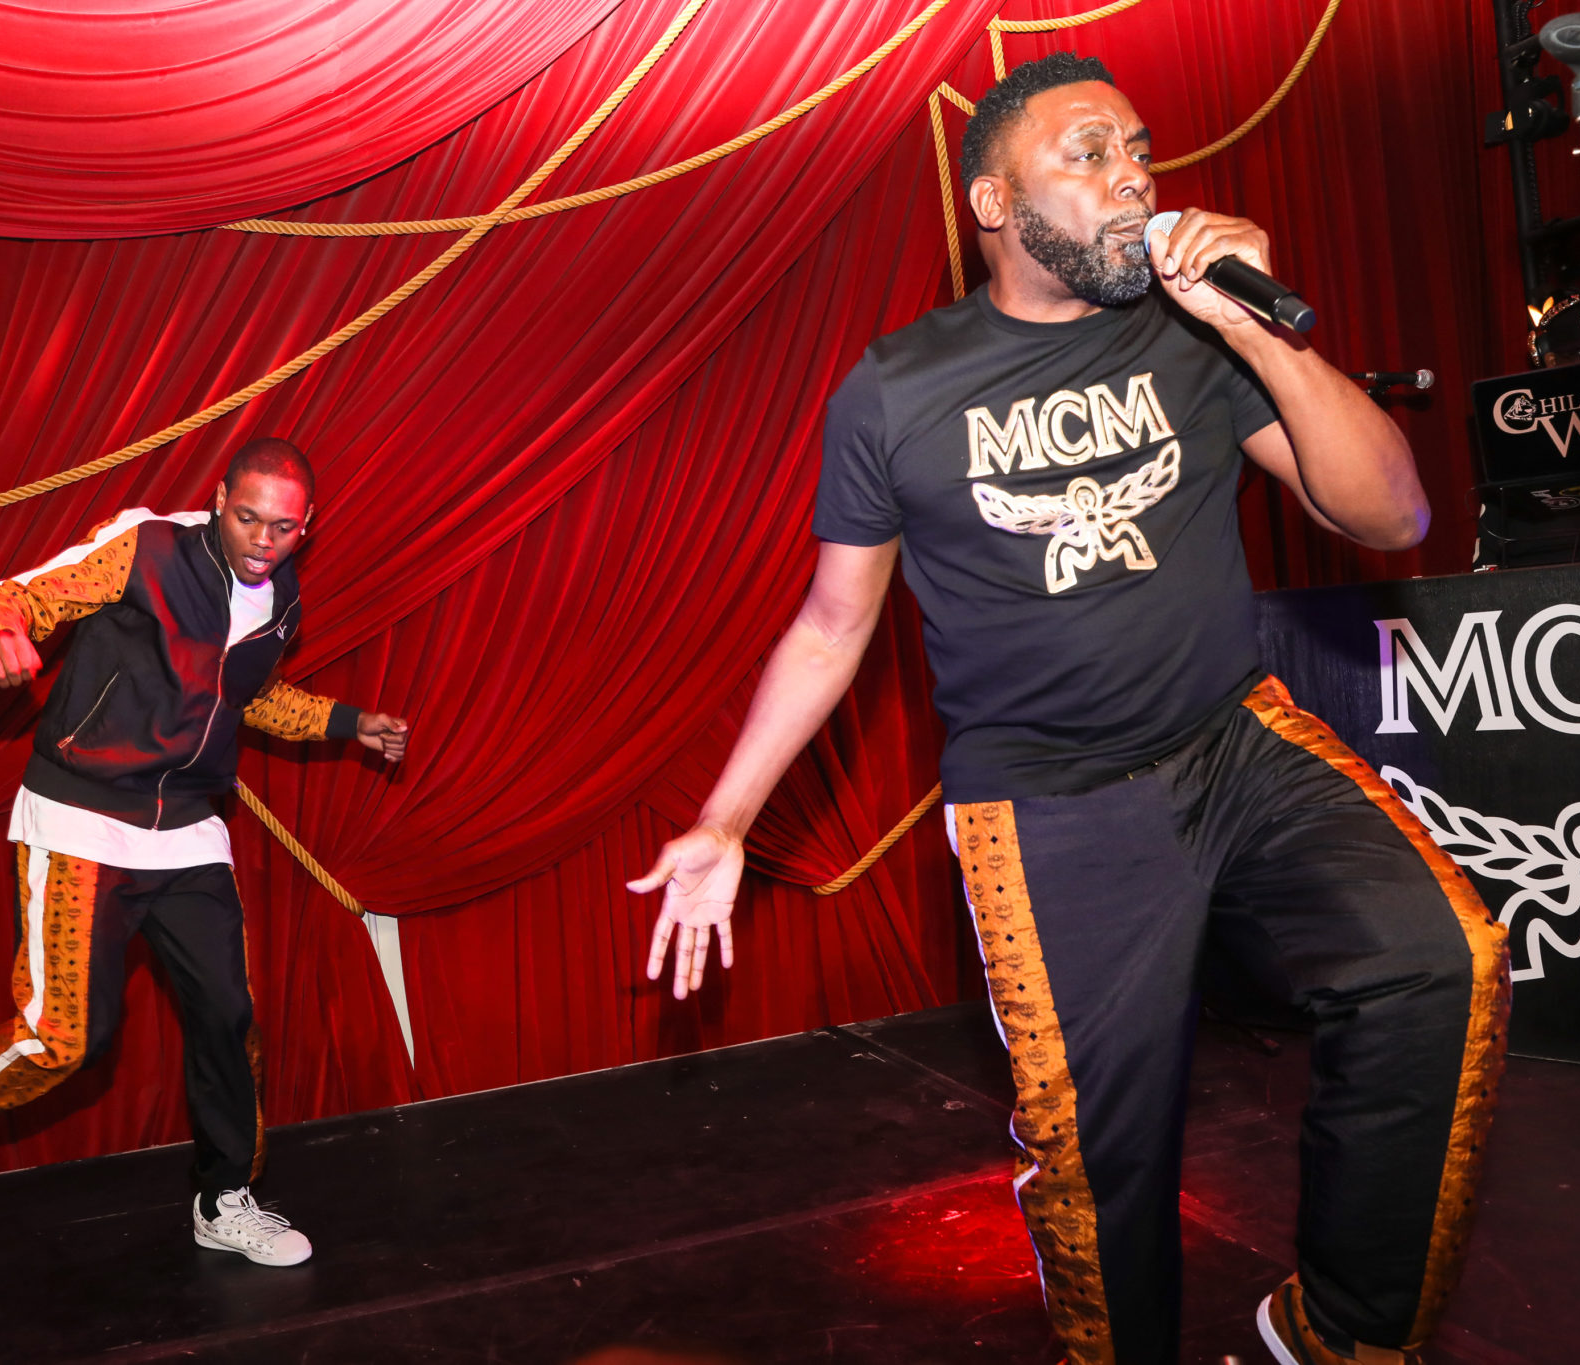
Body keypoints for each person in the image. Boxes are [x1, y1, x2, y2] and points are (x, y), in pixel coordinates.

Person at [629, 52, 1510, 1365]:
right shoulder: (895, 391)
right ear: (995, 203)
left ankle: (1339, 1334)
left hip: (1233, 736)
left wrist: (1253, 329)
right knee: (1103, 1152)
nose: (1132, 178)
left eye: (1139, 149)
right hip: (1048, 801)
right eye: (1089, 154)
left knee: (1439, 961)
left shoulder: (1190, 334)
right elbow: (831, 625)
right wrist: (725, 818)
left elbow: (1391, 514)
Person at [0, 437, 410, 1267]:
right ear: (220, 499)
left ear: (307, 526)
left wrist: (349, 723)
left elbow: (248, 696)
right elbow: (20, 595)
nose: (262, 541)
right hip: (81, 816)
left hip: (190, 828)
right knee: (66, 1037)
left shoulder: (281, 598)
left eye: (282, 527)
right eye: (247, 518)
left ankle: (223, 1196)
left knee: (228, 1017)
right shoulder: (148, 547)